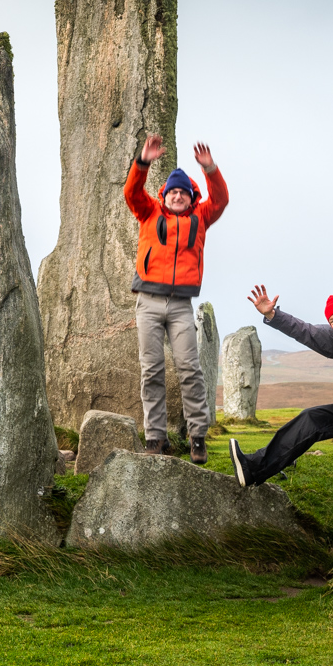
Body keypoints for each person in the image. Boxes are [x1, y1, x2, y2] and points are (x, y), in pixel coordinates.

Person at [125, 134, 228, 463]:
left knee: (189, 368)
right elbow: (131, 192)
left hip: (182, 305)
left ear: (191, 196)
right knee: (151, 370)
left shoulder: (201, 218)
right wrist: (143, 162)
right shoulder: (148, 213)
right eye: (173, 192)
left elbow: (221, 200)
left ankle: (198, 436)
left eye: (184, 193)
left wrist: (210, 169)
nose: (178, 196)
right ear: (165, 195)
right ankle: (155, 436)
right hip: (148, 302)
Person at [228, 287, 333, 486]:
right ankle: (253, 469)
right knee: (311, 418)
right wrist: (272, 315)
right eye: (332, 321)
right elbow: (305, 331)